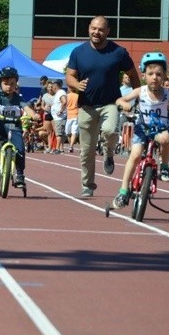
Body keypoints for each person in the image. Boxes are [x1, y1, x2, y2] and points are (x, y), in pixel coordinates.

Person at [65, 15, 140, 198]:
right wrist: (76, 84)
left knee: (109, 130)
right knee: (86, 151)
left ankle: (108, 153)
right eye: (93, 28)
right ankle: (88, 185)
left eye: (100, 29)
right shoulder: (78, 52)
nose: (96, 32)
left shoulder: (118, 52)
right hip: (86, 106)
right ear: (89, 29)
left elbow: (133, 74)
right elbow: (69, 76)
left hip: (111, 102)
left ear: (108, 31)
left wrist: (140, 94)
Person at [110, 52, 169, 209]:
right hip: (142, 128)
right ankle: (123, 190)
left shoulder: (168, 95)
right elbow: (120, 99)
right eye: (150, 74)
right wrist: (124, 104)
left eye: (158, 74)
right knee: (135, 156)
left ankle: (165, 167)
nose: (154, 77)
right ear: (144, 75)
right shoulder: (140, 91)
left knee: (166, 138)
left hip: (159, 128)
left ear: (164, 77)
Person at [0, 67, 41, 189]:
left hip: (15, 127)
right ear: (0, 84)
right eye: (6, 84)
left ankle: (20, 175)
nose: (9, 86)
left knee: (20, 150)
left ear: (16, 85)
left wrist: (34, 115)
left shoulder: (18, 98)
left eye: (12, 84)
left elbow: (26, 108)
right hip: (1, 124)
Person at [50, 79, 67, 154]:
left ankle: (57, 148)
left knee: (59, 133)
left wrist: (61, 111)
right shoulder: (59, 93)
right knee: (60, 133)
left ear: (55, 86)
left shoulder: (61, 92)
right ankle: (60, 148)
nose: (51, 88)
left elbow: (64, 101)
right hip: (58, 117)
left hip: (60, 117)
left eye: (52, 86)